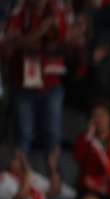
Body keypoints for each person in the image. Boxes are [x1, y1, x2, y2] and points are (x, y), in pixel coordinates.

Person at [4, 0, 68, 163]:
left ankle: (54, 179)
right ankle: (20, 181)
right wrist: (41, 31)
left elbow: (63, 41)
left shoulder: (56, 9)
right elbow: (13, 43)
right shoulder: (19, 10)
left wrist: (31, 41)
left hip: (51, 83)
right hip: (24, 84)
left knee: (53, 135)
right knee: (24, 135)